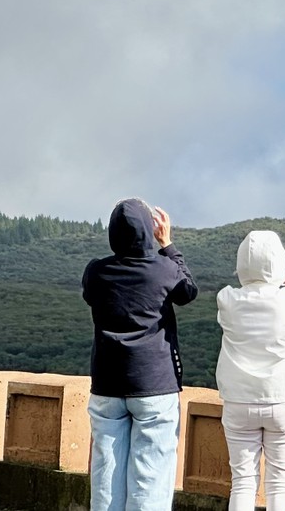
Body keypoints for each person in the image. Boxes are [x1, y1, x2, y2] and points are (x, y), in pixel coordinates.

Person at [82, 198, 199, 511]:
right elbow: (188, 291)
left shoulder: (96, 271)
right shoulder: (163, 269)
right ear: (149, 230)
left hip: (107, 385)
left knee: (106, 476)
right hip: (154, 384)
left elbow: (90, 295)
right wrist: (168, 245)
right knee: (150, 480)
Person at [216, 231, 285, 511]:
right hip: (281, 398)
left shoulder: (226, 299)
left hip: (238, 400)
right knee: (279, 482)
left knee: (242, 481)